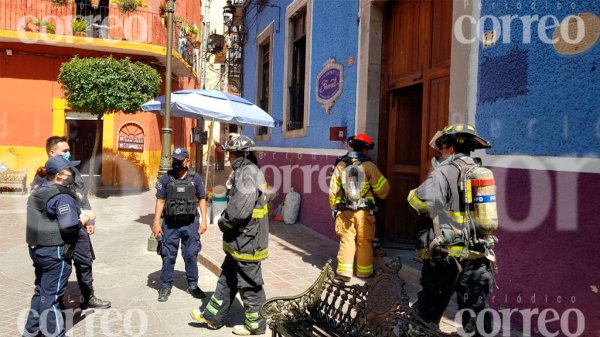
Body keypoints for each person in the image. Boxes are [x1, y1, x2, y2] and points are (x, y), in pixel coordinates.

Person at [407, 123, 498, 335]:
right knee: (475, 311)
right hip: (478, 256)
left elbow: (419, 203)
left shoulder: (443, 172)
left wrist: (413, 193)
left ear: (449, 148)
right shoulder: (481, 173)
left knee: (428, 310)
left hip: (445, 258)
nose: (440, 152)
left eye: (442, 148)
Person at [190, 134, 269, 336]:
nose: (228, 158)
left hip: (248, 241)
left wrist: (223, 221)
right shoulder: (245, 171)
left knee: (250, 284)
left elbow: (239, 211)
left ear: (241, 154)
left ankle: (255, 324)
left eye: (231, 154)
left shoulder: (248, 174)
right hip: (240, 240)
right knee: (227, 279)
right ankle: (213, 316)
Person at [31, 136, 110, 309]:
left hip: (78, 225)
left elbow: (82, 196)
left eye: (68, 150)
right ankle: (55, 301)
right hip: (55, 231)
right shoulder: (42, 176)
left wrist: (90, 220)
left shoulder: (73, 172)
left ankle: (87, 296)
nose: (68, 154)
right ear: (52, 153)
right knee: (57, 265)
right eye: (64, 151)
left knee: (85, 261)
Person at [24, 156, 96, 337]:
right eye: (70, 170)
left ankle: (30, 332)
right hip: (55, 252)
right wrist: (87, 217)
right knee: (52, 298)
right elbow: (69, 226)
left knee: (41, 292)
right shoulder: (62, 196)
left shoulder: (39, 190)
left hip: (38, 250)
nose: (73, 173)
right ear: (59, 175)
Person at [329, 133, 390, 282]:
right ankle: (364, 273)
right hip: (364, 213)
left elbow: (333, 190)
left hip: (345, 211)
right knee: (364, 241)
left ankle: (344, 272)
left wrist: (335, 207)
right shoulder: (369, 166)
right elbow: (383, 189)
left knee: (346, 240)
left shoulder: (341, 165)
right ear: (365, 150)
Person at [152, 147, 208, 302]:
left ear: (187, 161)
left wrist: (204, 221)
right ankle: (165, 285)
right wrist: (156, 223)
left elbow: (202, 198)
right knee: (168, 255)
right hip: (170, 225)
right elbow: (160, 201)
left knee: (191, 254)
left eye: (179, 161)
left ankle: (193, 285)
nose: (176, 163)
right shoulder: (165, 179)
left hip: (190, 224)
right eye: (174, 160)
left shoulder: (195, 178)